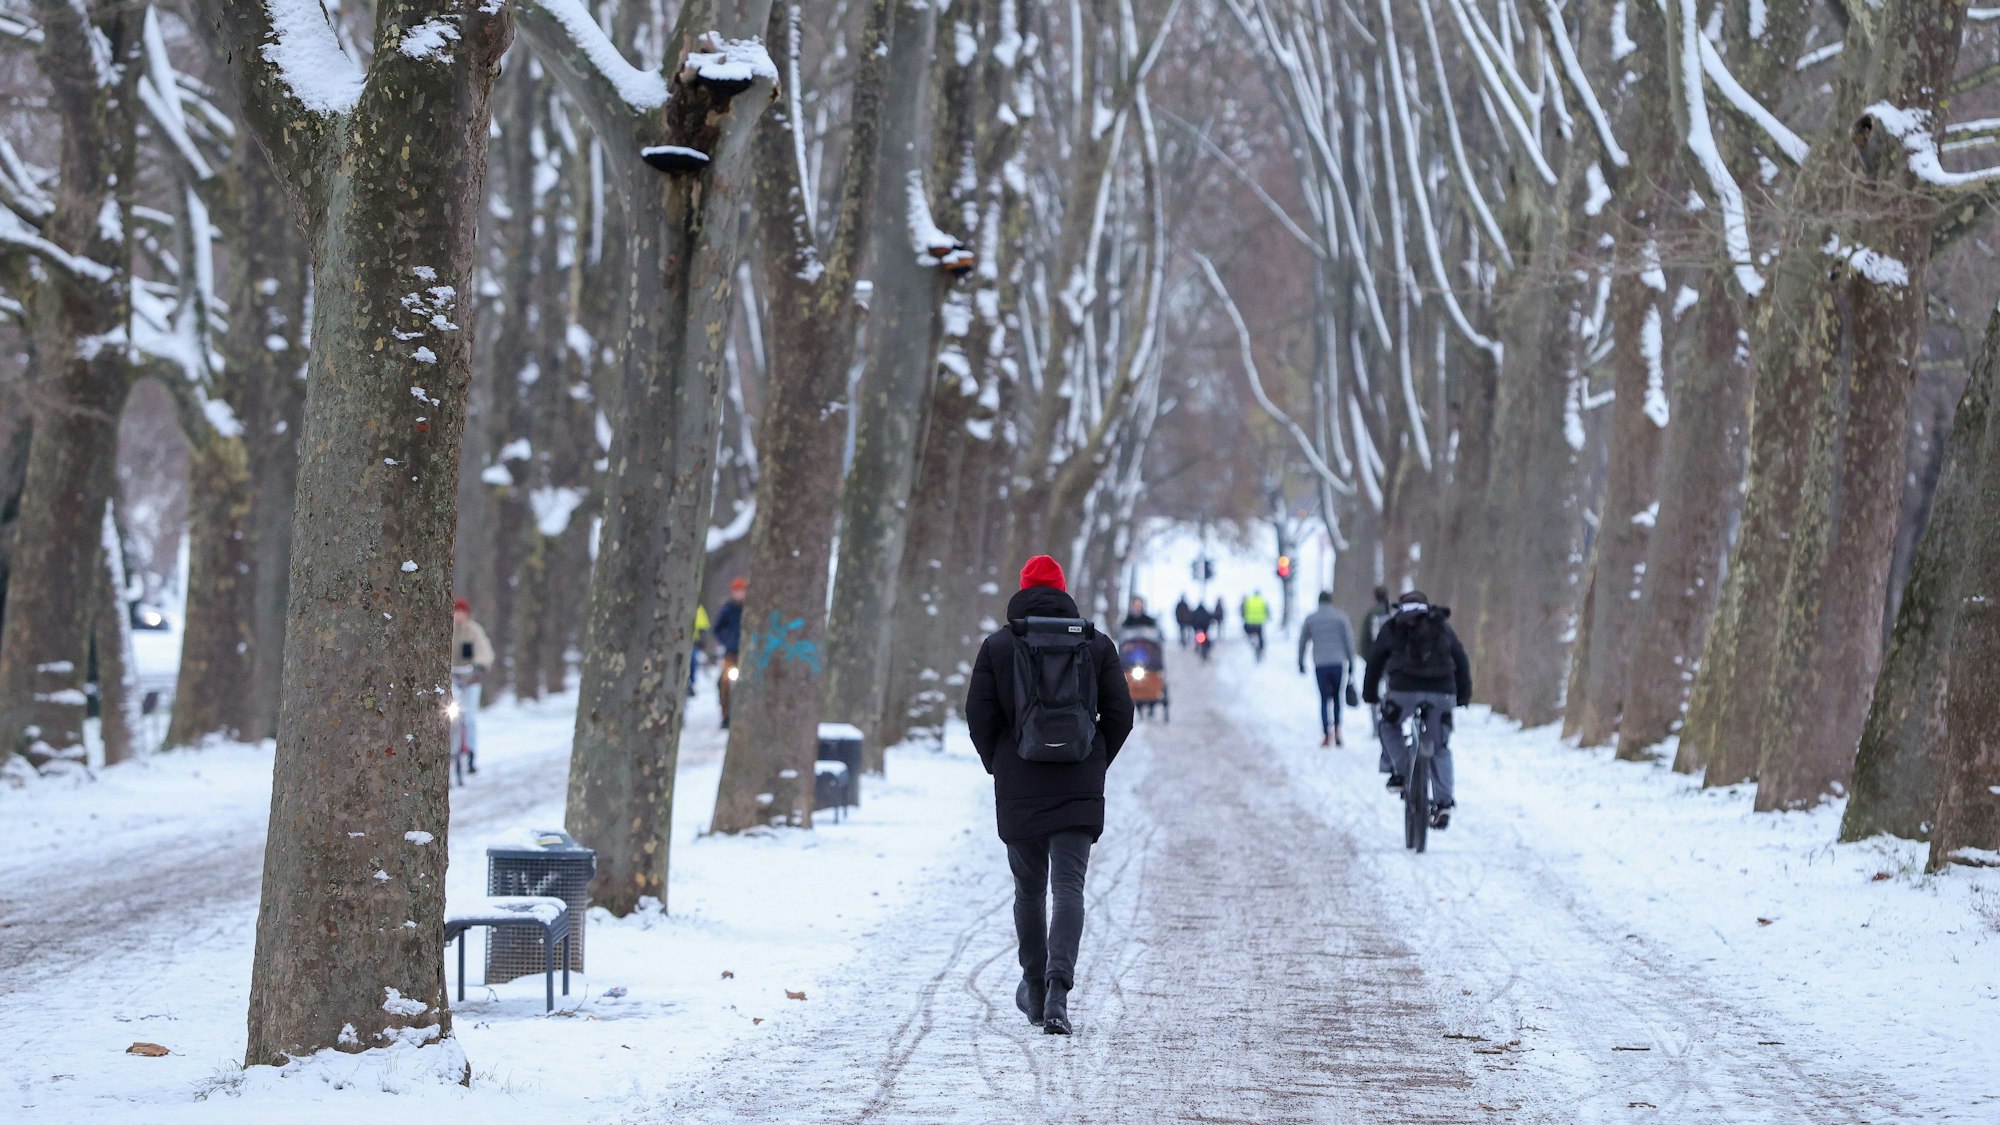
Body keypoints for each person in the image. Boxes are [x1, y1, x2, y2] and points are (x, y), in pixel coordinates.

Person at [965, 555, 1135, 1036]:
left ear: (1022, 590)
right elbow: (1121, 714)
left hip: (1020, 783)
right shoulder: (1095, 644)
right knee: (1069, 888)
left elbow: (978, 715)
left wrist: (1000, 764)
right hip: (1078, 782)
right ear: (1063, 590)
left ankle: (1034, 986)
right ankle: (1060, 989)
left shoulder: (999, 646)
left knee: (1028, 890)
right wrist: (1094, 761)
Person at [1361, 591, 1472, 829]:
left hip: (1403, 691)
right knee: (1440, 746)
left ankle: (1402, 773)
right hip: (1442, 692)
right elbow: (1461, 659)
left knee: (1388, 725)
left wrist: (1369, 693)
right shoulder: (1441, 625)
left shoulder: (1394, 625)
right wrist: (1463, 695)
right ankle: (1443, 803)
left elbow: (1376, 659)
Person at [1297, 591, 1356, 747]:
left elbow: (1303, 641)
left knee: (1324, 699)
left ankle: (1326, 735)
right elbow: (1348, 640)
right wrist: (1351, 662)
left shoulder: (1311, 618)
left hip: (1321, 663)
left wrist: (1300, 661)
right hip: (1337, 662)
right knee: (1337, 697)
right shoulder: (1340, 617)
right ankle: (1337, 729)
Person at [451, 598, 496, 772]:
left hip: (470, 681)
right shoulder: (447, 629)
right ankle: (451, 750)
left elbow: (485, 652)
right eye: (456, 612)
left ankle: (470, 752)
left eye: (462, 612)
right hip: (453, 680)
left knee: (469, 718)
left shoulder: (474, 631)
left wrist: (479, 666)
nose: (459, 616)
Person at [712, 577, 747, 728]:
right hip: (731, 654)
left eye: (741, 591)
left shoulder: (749, 609)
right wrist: (728, 640)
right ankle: (726, 715)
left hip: (746, 655)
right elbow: (717, 629)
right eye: (736, 591)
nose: (739, 594)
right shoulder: (727, 609)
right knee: (724, 683)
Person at [1240, 589, 1271, 659]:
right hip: (1259, 623)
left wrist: (1244, 617)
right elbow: (1267, 611)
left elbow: (1243, 610)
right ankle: (1261, 649)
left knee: (1246, 630)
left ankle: (1251, 639)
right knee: (1260, 636)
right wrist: (1267, 618)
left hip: (1249, 622)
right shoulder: (1262, 601)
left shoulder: (1249, 600)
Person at [689, 603, 710, 698]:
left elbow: (703, 626)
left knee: (693, 661)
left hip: (694, 642)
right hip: (682, 641)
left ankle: (691, 683)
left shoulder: (698, 608)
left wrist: (702, 639)